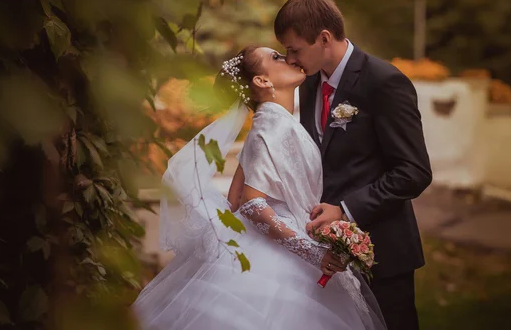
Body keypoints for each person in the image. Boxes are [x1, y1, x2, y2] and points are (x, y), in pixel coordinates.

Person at [132, 46, 386, 330]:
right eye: (276, 57)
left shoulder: (269, 123)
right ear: (262, 82)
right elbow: (252, 204)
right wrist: (314, 252)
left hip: (274, 240)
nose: (288, 59)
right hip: (281, 260)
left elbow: (235, 197)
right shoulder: (272, 127)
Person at [274, 0, 433, 330]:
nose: (290, 60)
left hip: (383, 254)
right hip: (331, 256)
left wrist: (345, 209)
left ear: (324, 38)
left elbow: (414, 172)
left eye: (294, 49)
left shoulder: (384, 81)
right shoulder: (310, 82)